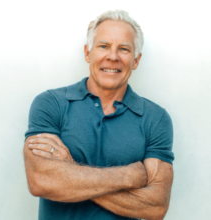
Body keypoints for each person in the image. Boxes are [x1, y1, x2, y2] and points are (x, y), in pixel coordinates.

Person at [23, 10, 174, 220]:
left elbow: (155, 207)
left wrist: (70, 172)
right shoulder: (51, 103)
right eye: (104, 46)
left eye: (124, 49)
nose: (113, 57)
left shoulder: (156, 119)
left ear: (136, 60)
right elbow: (41, 181)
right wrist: (129, 176)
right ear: (88, 53)